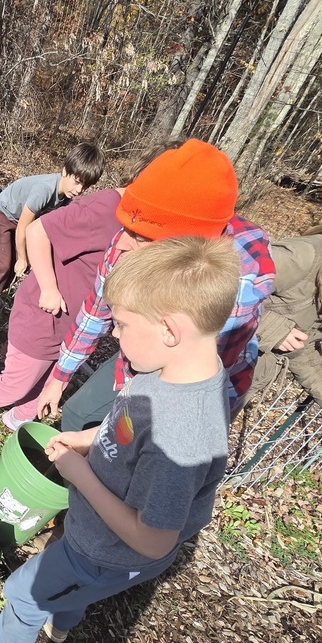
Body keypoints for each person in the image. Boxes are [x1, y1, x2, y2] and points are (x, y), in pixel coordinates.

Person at [0, 235, 241, 643]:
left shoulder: (181, 433)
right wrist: (87, 441)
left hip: (107, 549)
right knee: (69, 586)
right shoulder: (175, 373)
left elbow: (153, 538)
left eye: (121, 324)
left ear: (170, 330)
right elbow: (125, 423)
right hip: (98, 539)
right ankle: (61, 622)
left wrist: (79, 473)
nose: (115, 334)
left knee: (27, 589)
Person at [32, 139, 275, 431]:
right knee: (78, 416)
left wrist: (121, 435)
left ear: (186, 248)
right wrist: (59, 377)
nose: (120, 243)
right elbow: (96, 312)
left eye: (142, 237)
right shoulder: (131, 238)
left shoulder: (239, 280)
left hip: (193, 395)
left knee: (121, 453)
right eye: (127, 228)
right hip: (142, 353)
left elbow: (191, 382)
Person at [0, 182, 122, 440]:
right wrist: (48, 287)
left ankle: (17, 417)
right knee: (17, 383)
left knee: (50, 381)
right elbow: (38, 230)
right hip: (47, 318)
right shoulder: (106, 208)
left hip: (79, 329)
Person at [0, 142, 105, 324]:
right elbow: (23, 226)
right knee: (5, 264)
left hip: (21, 222)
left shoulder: (67, 198)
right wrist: (22, 257)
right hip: (3, 215)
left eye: (84, 187)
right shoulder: (44, 190)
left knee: (21, 265)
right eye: (77, 182)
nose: (78, 190)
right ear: (65, 171)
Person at [248, 225, 322, 411]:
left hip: (234, 386)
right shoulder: (304, 256)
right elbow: (209, 283)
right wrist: (272, 329)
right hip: (192, 371)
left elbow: (302, 347)